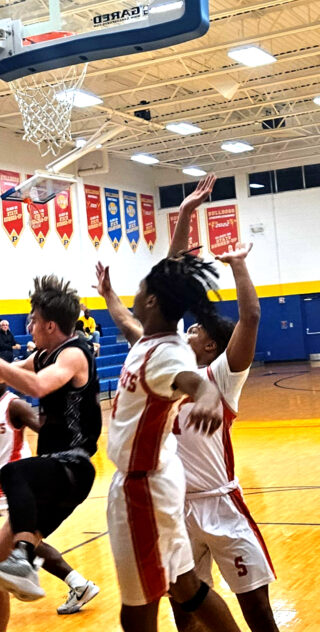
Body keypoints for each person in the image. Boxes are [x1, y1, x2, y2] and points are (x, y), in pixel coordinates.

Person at [0, 275, 102, 632]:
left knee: (12, 473)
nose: (27, 324)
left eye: (32, 318)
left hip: (72, 464)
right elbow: (8, 371)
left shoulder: (74, 353)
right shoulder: (44, 353)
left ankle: (27, 563)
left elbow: (34, 385)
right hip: (52, 473)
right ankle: (23, 564)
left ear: (49, 324)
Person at [94, 249, 241, 632]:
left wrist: (209, 399)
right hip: (155, 480)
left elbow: (193, 383)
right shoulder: (153, 339)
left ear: (153, 300)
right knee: (185, 587)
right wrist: (107, 294)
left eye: (139, 290)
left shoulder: (169, 356)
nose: (135, 297)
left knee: (137, 609)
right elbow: (128, 324)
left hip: (142, 490)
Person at [162, 175, 276, 632]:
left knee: (259, 614)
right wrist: (187, 213)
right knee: (185, 615)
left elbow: (250, 316)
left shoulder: (220, 377)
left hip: (221, 506)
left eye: (195, 331)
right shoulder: (167, 372)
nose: (187, 331)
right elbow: (169, 282)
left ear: (210, 347)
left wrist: (237, 266)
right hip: (176, 509)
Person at [0, 381, 99, 617]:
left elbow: (43, 428)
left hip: (21, 474)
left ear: (3, 375)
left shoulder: (15, 405)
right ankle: (77, 583)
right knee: (27, 538)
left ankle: (16, 559)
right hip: (6, 478)